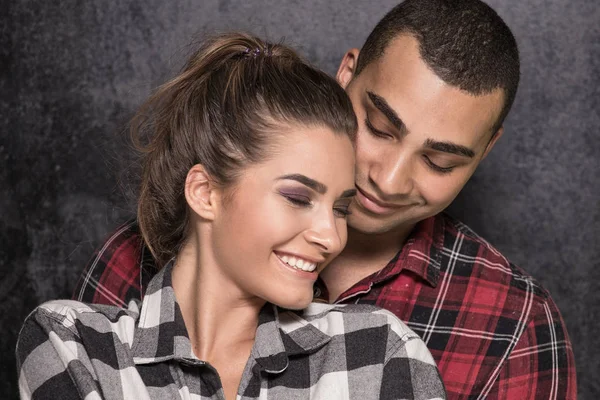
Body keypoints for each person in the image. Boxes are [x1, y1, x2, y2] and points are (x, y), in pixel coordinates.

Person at [72, 0, 577, 398]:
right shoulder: (133, 260)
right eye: (377, 128)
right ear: (346, 74)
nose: (389, 179)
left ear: (487, 148)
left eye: (439, 162)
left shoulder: (513, 326)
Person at [17, 33, 446, 400]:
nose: (331, 238)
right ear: (205, 193)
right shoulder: (74, 345)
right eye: (298, 197)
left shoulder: (382, 351)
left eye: (340, 209)